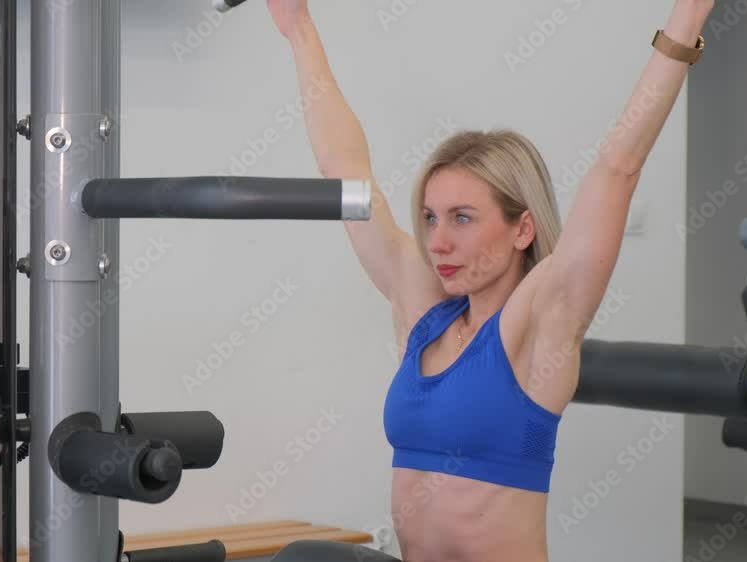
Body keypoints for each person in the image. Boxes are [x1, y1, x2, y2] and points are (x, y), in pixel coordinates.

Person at [265, 1, 715, 561]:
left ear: (522, 228)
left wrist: (688, 16)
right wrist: (299, 27)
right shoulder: (425, 316)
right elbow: (346, 172)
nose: (437, 242)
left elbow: (617, 168)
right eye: (430, 217)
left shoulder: (540, 324)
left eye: (462, 218)